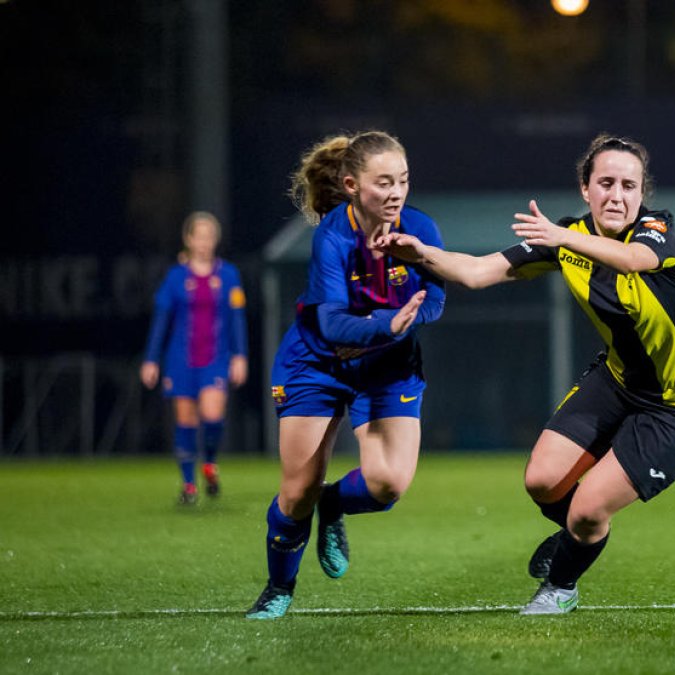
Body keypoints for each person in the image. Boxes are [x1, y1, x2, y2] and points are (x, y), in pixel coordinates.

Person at [374, 134, 675, 615]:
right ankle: (580, 536)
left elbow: (632, 260)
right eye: (606, 183)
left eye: (629, 185)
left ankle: (561, 584)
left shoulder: (655, 230)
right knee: (543, 481)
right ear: (586, 188)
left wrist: (563, 237)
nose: (618, 195)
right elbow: (478, 271)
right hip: (620, 380)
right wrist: (418, 253)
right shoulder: (568, 237)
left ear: (642, 194)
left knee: (587, 509)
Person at [245, 130, 446, 619]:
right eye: (384, 182)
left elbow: (436, 301)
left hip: (387, 365)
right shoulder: (332, 236)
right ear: (353, 185)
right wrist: (386, 322)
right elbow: (333, 323)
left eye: (403, 180)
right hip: (317, 362)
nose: (396, 192)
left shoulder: (420, 228)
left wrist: (406, 317)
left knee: (388, 485)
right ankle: (279, 589)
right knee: (296, 492)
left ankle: (332, 506)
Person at [141, 211, 248, 505]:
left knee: (213, 417)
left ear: (216, 240)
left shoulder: (228, 275)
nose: (204, 242)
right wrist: (151, 359)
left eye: (209, 236)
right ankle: (189, 486)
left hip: (215, 357)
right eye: (198, 236)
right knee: (186, 421)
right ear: (188, 240)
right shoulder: (176, 277)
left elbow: (236, 318)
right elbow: (161, 320)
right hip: (181, 359)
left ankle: (210, 463)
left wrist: (240, 356)